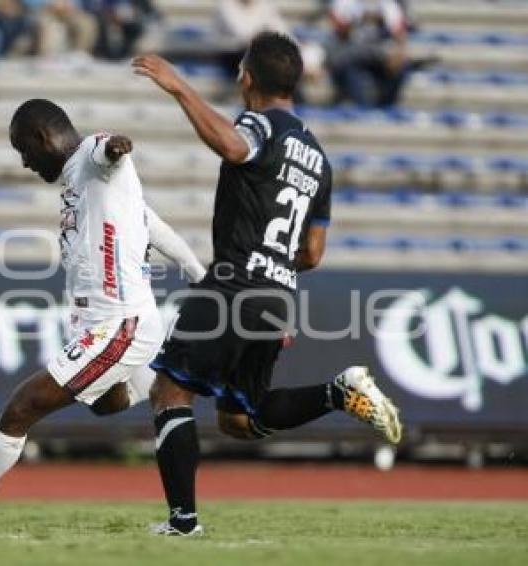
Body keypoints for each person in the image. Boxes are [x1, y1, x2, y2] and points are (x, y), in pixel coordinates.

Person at [133, 31, 402, 536]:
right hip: (277, 293)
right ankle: (338, 393)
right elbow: (313, 254)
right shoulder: (319, 158)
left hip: (235, 282)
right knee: (239, 419)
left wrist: (179, 88)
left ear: (247, 78)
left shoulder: (258, 122)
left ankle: (183, 523)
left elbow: (235, 147)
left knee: (170, 391)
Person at [0, 98, 206, 531]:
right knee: (105, 403)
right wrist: (198, 273)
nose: (25, 163)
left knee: (21, 408)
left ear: (42, 138)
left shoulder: (92, 159)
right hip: (105, 326)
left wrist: (115, 148)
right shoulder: (86, 188)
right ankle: (159, 371)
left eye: (23, 150)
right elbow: (152, 225)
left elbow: (106, 150)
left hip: (120, 323)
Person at [325, 0, 411, 107]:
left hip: (379, 58)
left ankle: (387, 105)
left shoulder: (388, 5)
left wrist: (397, 54)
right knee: (350, 68)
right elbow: (339, 32)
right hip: (350, 56)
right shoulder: (344, 3)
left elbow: (399, 36)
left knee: (401, 66)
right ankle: (362, 107)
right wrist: (358, 17)